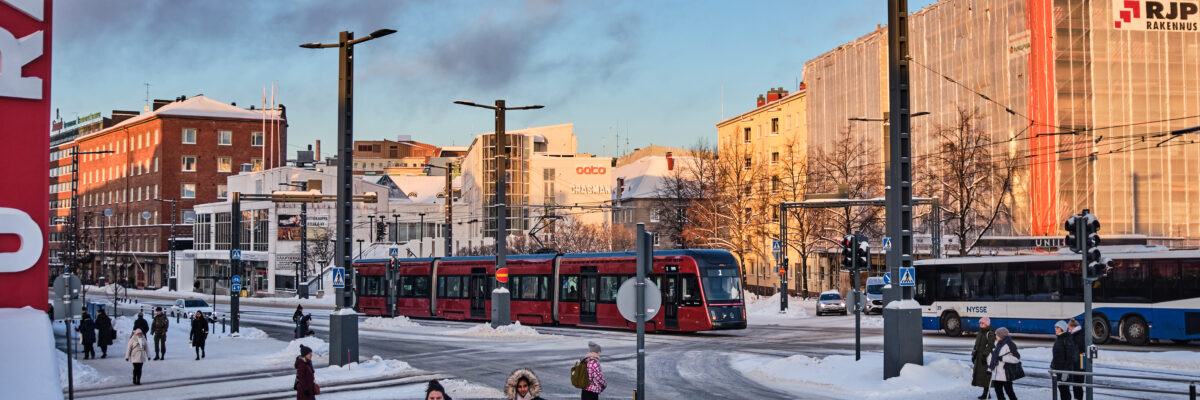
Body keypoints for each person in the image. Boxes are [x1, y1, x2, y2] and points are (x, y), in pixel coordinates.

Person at [989, 327, 1021, 400]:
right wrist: (990, 369)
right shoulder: (999, 344)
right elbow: (994, 358)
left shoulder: (1010, 344)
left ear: (1001, 335)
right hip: (998, 373)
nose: (995, 336)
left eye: (997, 335)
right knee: (998, 391)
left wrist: (1002, 358)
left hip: (1006, 374)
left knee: (1009, 391)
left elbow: (1017, 358)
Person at [971, 317, 997, 399]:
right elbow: (976, 344)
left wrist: (985, 355)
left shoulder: (990, 333)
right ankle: (985, 393)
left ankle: (986, 393)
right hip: (979, 356)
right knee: (981, 375)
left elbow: (990, 345)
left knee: (986, 375)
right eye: (980, 323)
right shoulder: (980, 332)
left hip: (986, 357)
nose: (981, 325)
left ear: (987, 324)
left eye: (982, 323)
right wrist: (974, 353)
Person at [1051, 320, 1076, 400]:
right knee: (1062, 390)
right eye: (1055, 327)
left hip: (1064, 370)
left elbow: (1069, 357)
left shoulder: (1066, 339)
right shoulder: (1059, 338)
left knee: (1065, 391)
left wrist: (1066, 372)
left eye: (1057, 327)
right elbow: (1056, 355)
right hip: (1058, 369)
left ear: (1062, 329)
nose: (1055, 329)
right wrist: (1052, 366)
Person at [1067, 319, 1085, 400]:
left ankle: (1078, 398)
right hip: (1080, 361)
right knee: (1077, 383)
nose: (1068, 330)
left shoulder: (1076, 336)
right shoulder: (1079, 333)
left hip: (1078, 362)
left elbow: (1075, 350)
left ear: (1072, 327)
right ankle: (1077, 398)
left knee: (1077, 383)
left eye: (1069, 328)